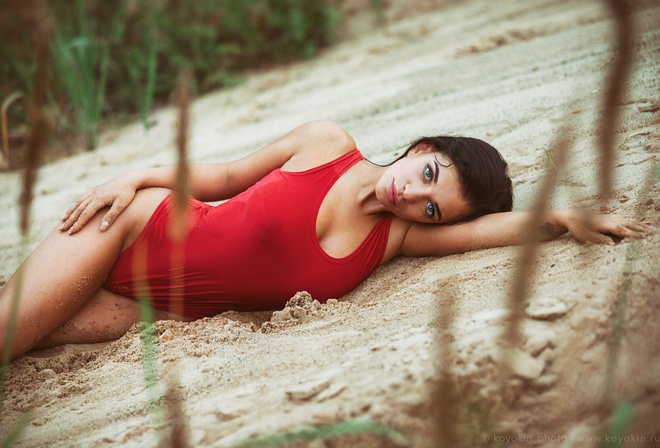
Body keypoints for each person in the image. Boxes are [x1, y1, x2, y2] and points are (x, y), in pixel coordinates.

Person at [0, 121, 652, 360]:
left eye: (432, 208)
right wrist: (134, 176)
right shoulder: (325, 144)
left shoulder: (391, 242)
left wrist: (563, 220)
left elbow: (484, 231)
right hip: (132, 230)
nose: (412, 196)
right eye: (426, 175)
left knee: (22, 336)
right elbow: (225, 176)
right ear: (422, 149)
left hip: (153, 306)